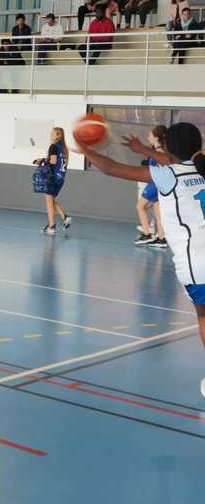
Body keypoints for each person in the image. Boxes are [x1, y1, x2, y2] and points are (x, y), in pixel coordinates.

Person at [76, 122, 205, 398]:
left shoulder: (168, 176)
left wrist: (85, 150)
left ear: (169, 148)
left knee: (204, 316)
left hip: (197, 263)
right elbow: (175, 159)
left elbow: (111, 168)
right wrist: (142, 149)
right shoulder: (201, 169)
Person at [131, 125, 168, 248]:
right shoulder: (159, 152)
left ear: (156, 138)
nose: (148, 138)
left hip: (155, 184)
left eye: (150, 135)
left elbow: (161, 170)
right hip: (158, 185)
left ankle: (147, 234)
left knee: (140, 207)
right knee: (157, 213)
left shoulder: (159, 153)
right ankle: (161, 238)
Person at [33, 127, 71, 235]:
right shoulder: (64, 148)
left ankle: (52, 226)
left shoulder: (54, 146)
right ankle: (65, 217)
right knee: (51, 201)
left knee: (49, 202)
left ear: (58, 135)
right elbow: (59, 162)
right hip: (61, 178)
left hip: (53, 177)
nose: (50, 135)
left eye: (52, 133)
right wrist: (45, 159)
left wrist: (42, 160)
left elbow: (53, 161)